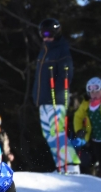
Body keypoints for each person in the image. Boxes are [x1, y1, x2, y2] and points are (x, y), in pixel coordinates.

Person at [32, 18, 80, 173]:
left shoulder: (61, 49)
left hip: (55, 99)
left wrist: (60, 91)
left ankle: (71, 164)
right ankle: (61, 165)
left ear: (56, 33)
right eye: (42, 34)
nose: (45, 37)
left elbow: (67, 74)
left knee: (57, 132)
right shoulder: (44, 51)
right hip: (43, 99)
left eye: (48, 33)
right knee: (49, 134)